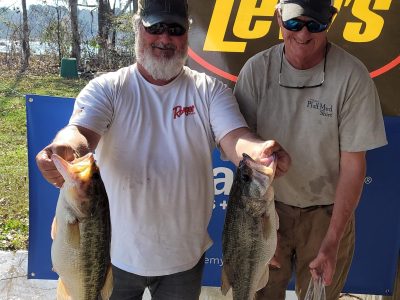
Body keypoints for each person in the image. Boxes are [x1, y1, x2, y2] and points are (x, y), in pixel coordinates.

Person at [35, 0, 290, 299]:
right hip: (111, 256)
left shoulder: (209, 90)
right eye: (155, 27)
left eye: (175, 29)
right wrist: (65, 148)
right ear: (137, 29)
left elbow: (236, 138)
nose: (165, 38)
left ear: (187, 36)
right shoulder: (107, 88)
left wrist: (258, 152)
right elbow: (80, 132)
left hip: (183, 260)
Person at [233, 0, 387, 299]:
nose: (303, 34)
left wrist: (331, 243)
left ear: (329, 21)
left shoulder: (352, 76)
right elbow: (241, 156)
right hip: (268, 206)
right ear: (279, 19)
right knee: (257, 292)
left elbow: (354, 167)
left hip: (326, 213)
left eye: (314, 24)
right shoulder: (255, 70)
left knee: (320, 295)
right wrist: (261, 229)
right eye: (294, 23)